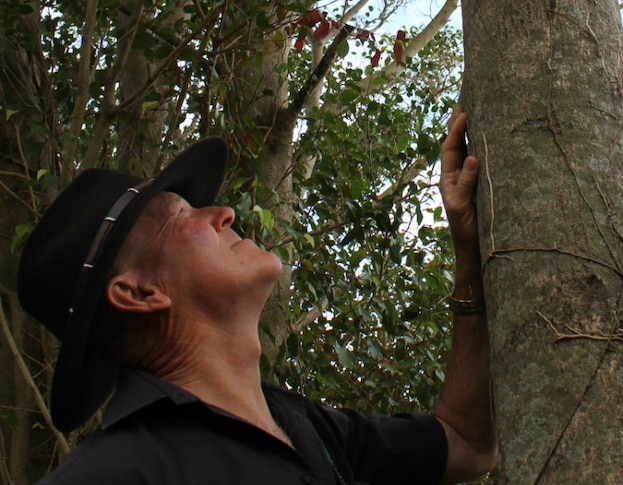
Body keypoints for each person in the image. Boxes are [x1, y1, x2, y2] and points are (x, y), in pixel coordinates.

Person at [17, 108, 496, 484]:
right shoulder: (115, 473)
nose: (223, 212)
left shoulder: (305, 425)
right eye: (184, 216)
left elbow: (467, 443)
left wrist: (469, 254)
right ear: (139, 293)